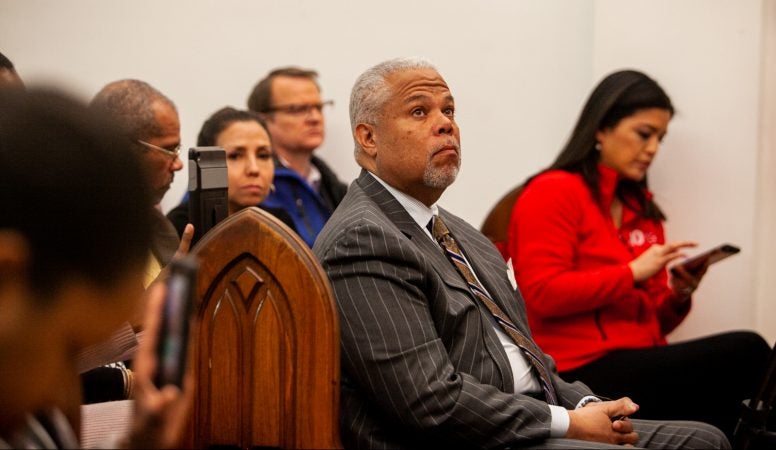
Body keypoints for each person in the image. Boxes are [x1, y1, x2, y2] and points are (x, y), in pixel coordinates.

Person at [313, 58, 729, 449]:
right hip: (462, 439)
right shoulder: (364, 238)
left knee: (706, 440)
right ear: (368, 138)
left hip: (528, 417)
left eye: (450, 111)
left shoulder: (460, 233)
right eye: (420, 112)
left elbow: (523, 354)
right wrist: (568, 422)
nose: (446, 125)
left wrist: (583, 405)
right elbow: (428, 402)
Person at [504, 69, 770, 439]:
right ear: (601, 128)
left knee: (746, 392)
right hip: (575, 371)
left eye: (660, 138)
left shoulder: (641, 208)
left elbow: (652, 325)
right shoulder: (552, 191)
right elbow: (543, 294)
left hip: (637, 360)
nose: (653, 149)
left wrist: (678, 294)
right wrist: (632, 273)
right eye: (644, 134)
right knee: (748, 351)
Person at [0, 88, 190, 448]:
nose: (69, 384)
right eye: (70, 350)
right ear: (8, 275)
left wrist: (141, 441)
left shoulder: (29, 422)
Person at [80, 79, 194, 405]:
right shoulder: (68, 229)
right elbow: (47, 358)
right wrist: (137, 318)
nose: (178, 162)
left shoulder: (158, 225)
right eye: (169, 149)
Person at [247, 67, 347, 246]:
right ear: (263, 120)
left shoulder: (332, 186)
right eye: (299, 109)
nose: (315, 117)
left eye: (318, 107)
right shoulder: (250, 184)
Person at [166, 107, 296, 236]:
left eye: (263, 155)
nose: (254, 169)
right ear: (206, 165)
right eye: (235, 156)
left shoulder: (279, 222)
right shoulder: (180, 226)